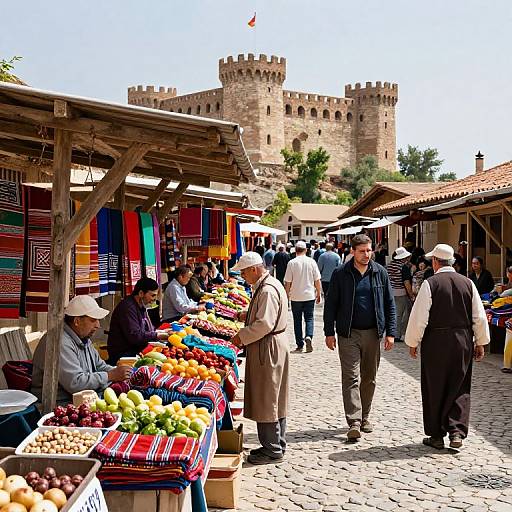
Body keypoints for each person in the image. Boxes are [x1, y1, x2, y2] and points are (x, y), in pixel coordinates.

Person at [405, 244, 490, 450]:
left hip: (436, 341)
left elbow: (419, 317)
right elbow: (478, 316)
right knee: (460, 385)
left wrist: (413, 342)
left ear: (435, 262)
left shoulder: (430, 284)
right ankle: (456, 432)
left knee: (435, 386)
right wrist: (480, 341)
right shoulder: (468, 283)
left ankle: (436, 435)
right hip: (462, 340)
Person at [324, 234, 396, 442]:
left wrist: (390, 332)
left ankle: (365, 417)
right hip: (348, 333)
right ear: (353, 252)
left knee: (369, 377)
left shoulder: (380, 273)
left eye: (369, 250)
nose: (366, 254)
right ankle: (354, 421)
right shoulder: (341, 274)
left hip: (373, 333)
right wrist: (329, 332)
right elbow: (331, 305)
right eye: (362, 251)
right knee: (351, 377)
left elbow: (389, 304)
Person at [229, 252, 289, 465]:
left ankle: (272, 449)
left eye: (244, 273)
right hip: (271, 344)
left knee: (268, 398)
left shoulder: (267, 290)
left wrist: (241, 337)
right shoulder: (269, 285)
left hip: (268, 346)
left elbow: (264, 324)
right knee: (274, 397)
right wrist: (248, 315)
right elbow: (266, 315)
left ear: (254, 269)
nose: (243, 276)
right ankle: (275, 444)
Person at [32, 295, 132, 404]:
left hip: (83, 398)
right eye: (93, 320)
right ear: (77, 321)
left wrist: (122, 372)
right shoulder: (60, 342)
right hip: (59, 403)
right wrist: (110, 375)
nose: (98, 325)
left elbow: (100, 366)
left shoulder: (83, 338)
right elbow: (76, 383)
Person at [107, 278, 168, 364]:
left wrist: (161, 332)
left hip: (136, 349)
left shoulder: (141, 306)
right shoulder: (128, 308)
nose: (154, 299)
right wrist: (157, 335)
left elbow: (148, 329)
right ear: (141, 293)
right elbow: (135, 336)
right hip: (124, 354)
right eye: (152, 295)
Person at [284, 240, 322, 353]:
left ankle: (299, 344)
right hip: (309, 295)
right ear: (306, 250)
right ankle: (309, 336)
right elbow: (317, 280)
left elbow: (288, 282)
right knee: (309, 318)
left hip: (296, 296)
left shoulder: (292, 263)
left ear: (295, 250)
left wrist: (286, 296)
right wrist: (319, 293)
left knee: (297, 320)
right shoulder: (311, 262)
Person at [386, 247, 414, 342]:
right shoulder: (403, 267)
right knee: (400, 315)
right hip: (400, 293)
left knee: (392, 313)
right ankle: (396, 335)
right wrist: (411, 295)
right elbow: (406, 282)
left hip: (390, 292)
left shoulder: (389, 266)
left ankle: (392, 332)